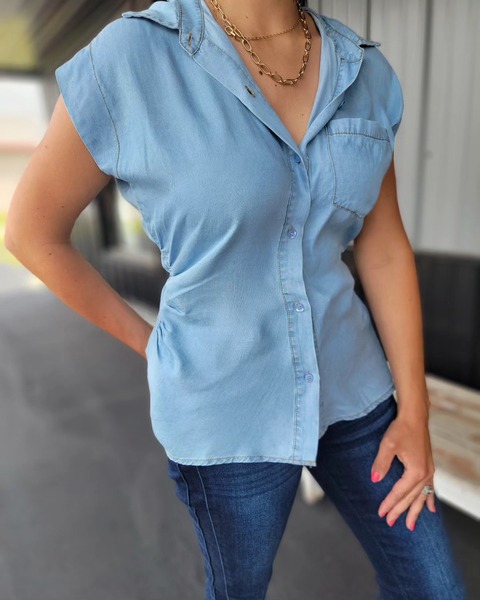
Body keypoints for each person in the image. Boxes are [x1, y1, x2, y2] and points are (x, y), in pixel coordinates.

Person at [5, 0, 469, 598]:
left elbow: (383, 247)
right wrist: (151, 345)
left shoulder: (362, 71)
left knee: (435, 588)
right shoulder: (133, 58)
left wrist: (415, 411)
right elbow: (32, 232)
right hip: (226, 412)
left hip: (355, 389)